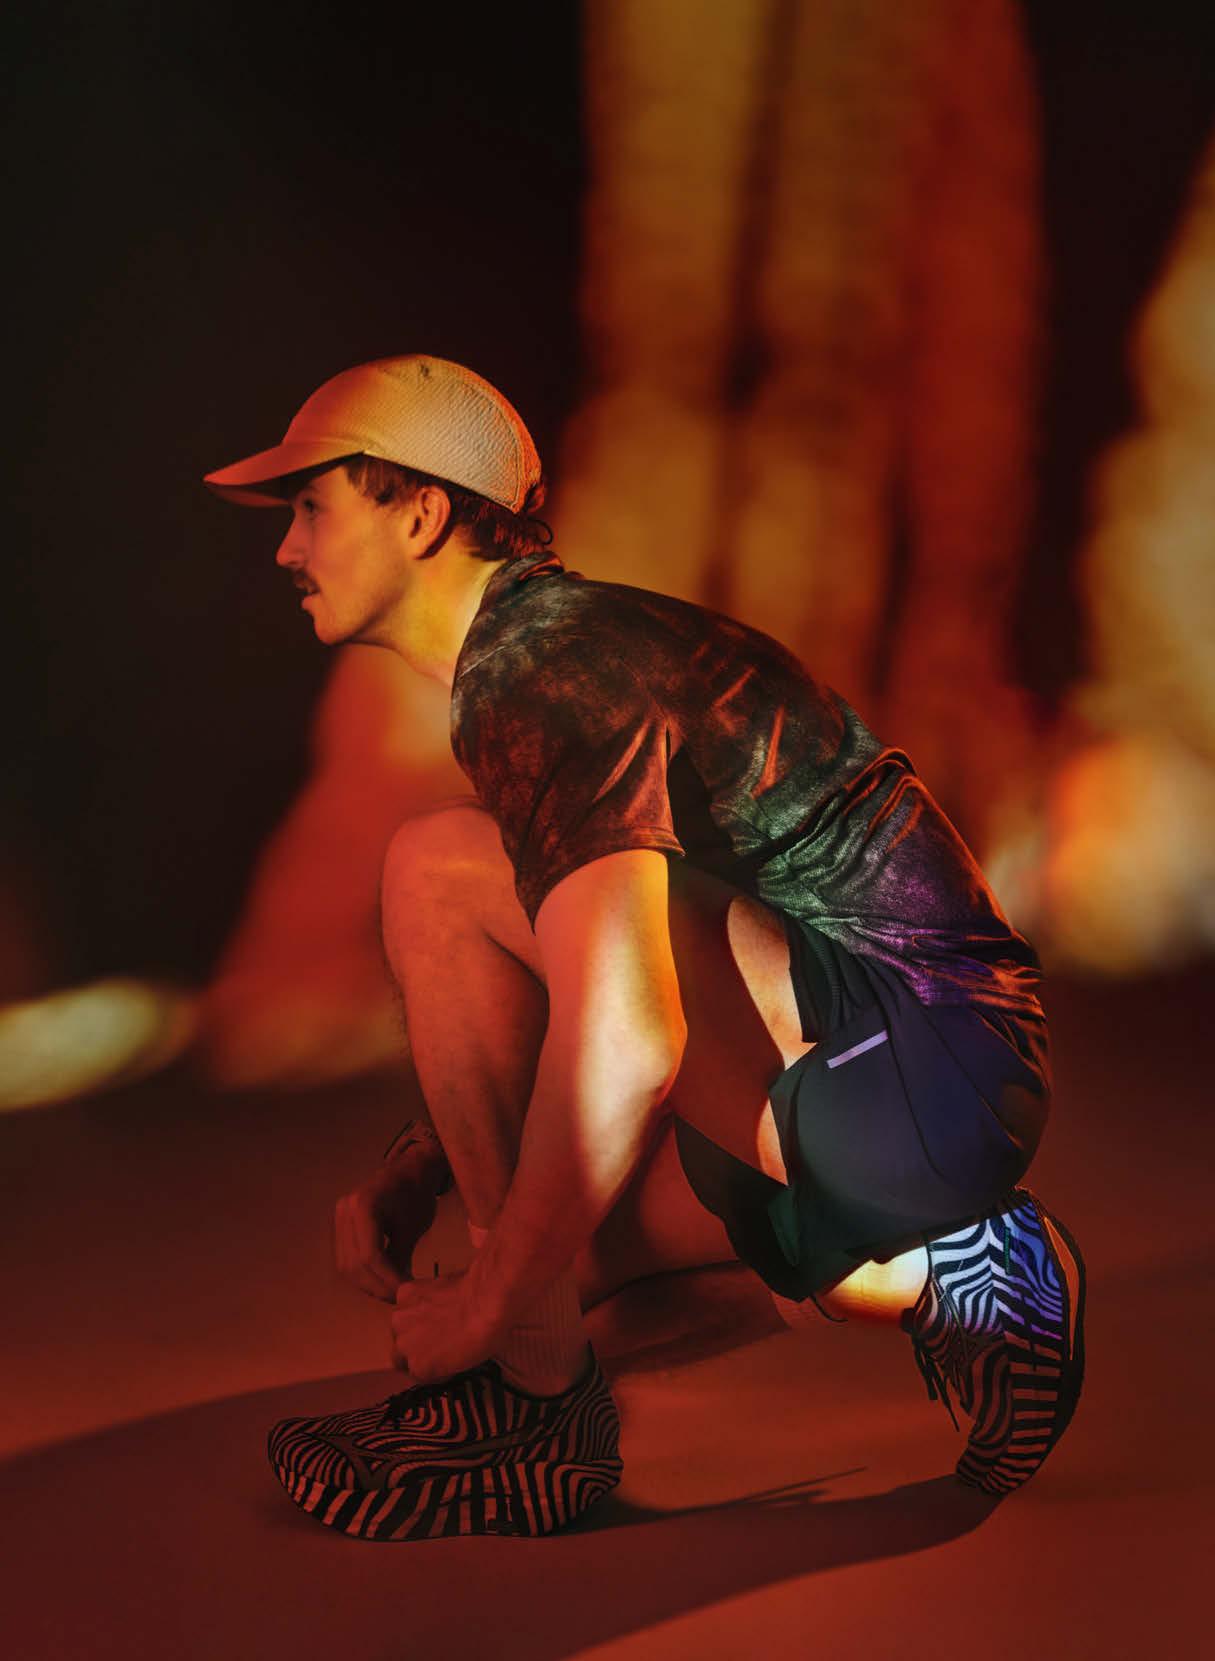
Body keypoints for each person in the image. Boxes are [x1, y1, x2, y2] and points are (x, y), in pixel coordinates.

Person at [205, 353, 1085, 1542]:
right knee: (571, 1265)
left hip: (923, 1064)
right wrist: (434, 1170)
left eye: (311, 506)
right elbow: (597, 975)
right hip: (894, 1075)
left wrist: (486, 1306)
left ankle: (528, 1408)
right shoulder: (545, 654)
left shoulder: (548, 670)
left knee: (437, 868)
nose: (286, 548)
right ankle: (959, 1281)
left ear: (418, 514)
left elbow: (627, 1033)